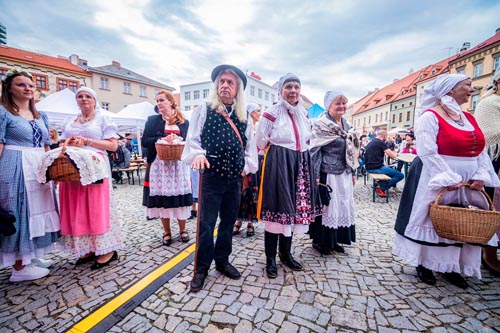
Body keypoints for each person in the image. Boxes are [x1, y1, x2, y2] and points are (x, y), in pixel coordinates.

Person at [393, 74, 500, 289]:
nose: (472, 90)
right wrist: (447, 177)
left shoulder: (469, 119)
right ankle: (424, 264)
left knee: (460, 220)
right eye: (467, 85)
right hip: (435, 175)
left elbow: (480, 150)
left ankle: (451, 266)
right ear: (451, 90)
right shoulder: (430, 117)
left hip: (467, 181)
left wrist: (481, 174)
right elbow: (427, 151)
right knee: (432, 219)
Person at [182, 64, 258, 291]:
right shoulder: (203, 110)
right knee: (206, 224)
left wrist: (245, 168)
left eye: (230, 82)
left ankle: (222, 260)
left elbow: (250, 149)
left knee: (227, 222)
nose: (225, 85)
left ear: (237, 89)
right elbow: (193, 140)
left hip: (234, 178)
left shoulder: (245, 117)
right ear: (217, 86)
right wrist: (197, 156)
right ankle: (202, 267)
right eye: (222, 81)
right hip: (211, 177)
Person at [256, 73, 319, 278]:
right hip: (279, 163)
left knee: (292, 211)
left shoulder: (304, 113)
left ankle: (285, 254)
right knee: (277, 210)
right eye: (288, 87)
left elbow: (308, 139)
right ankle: (270, 259)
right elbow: (260, 141)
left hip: (300, 163)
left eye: (296, 86)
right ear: (281, 90)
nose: (293, 90)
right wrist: (277, 158)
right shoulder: (272, 112)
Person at [0, 68, 60, 282]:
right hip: (15, 163)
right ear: (9, 88)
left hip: (38, 164)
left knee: (39, 208)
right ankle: (18, 266)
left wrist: (50, 168)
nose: (27, 88)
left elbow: (46, 144)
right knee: (18, 210)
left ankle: (31, 256)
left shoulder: (41, 115)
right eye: (21, 84)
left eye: (31, 85)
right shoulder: (3, 112)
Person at [59, 87, 122, 270]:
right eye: (80, 96)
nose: (84, 99)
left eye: (88, 96)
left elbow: (113, 146)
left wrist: (87, 141)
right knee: (77, 208)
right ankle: (88, 247)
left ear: (94, 100)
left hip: (95, 167)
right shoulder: (70, 121)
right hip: (72, 168)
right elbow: (61, 142)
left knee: (96, 208)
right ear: (76, 101)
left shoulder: (103, 118)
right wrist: (71, 142)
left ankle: (107, 249)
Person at [310, 91, 358, 255]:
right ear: (328, 105)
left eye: (344, 103)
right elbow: (315, 150)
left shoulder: (347, 125)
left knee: (342, 206)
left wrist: (352, 172)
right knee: (328, 206)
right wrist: (315, 175)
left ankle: (335, 239)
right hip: (328, 172)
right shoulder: (321, 125)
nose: (342, 106)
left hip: (344, 171)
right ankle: (321, 241)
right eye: (338, 103)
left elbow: (351, 150)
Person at [142, 90, 192, 246]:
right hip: (159, 164)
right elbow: (145, 141)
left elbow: (190, 141)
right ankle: (167, 231)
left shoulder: (184, 121)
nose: (158, 103)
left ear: (171, 101)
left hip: (178, 164)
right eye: (157, 100)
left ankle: (183, 229)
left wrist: (179, 138)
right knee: (162, 198)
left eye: (162, 100)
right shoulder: (152, 120)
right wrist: (161, 139)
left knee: (180, 198)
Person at [475, 67, 500, 276]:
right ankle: (488, 253)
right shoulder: (489, 103)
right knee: (492, 209)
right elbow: (490, 135)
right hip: (493, 163)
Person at [233, 103, 262, 237]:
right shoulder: (243, 123)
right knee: (241, 194)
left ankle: (250, 223)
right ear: (250, 112)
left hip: (254, 164)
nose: (259, 114)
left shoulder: (259, 126)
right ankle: (238, 221)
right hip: (242, 163)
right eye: (257, 111)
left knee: (252, 194)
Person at [364, 129, 404, 197]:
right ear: (384, 136)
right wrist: (396, 154)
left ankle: (379, 184)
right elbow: (392, 155)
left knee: (391, 170)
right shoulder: (380, 142)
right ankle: (381, 187)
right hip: (376, 168)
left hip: (369, 167)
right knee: (400, 175)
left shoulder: (371, 141)